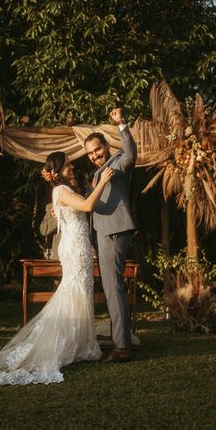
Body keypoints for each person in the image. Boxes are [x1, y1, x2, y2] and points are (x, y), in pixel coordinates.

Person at [0, 153, 114, 385]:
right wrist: (104, 181)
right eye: (67, 163)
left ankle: (81, 342)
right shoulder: (60, 191)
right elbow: (88, 206)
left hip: (80, 246)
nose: (72, 165)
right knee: (74, 291)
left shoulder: (67, 190)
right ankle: (66, 343)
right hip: (74, 249)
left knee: (81, 292)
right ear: (57, 171)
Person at [83, 107, 136, 362]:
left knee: (113, 289)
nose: (95, 155)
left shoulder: (118, 161)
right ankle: (121, 341)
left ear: (105, 144)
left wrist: (122, 125)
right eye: (91, 153)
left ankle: (122, 348)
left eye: (98, 149)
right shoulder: (95, 174)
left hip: (115, 230)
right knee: (111, 288)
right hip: (102, 234)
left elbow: (131, 154)